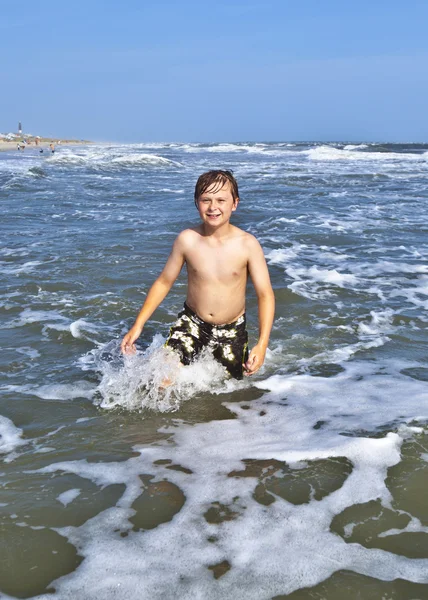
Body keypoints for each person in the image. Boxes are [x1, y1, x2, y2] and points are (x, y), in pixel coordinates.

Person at [121, 170, 275, 379]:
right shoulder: (188, 240)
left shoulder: (247, 245)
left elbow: (265, 294)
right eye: (206, 200)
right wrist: (138, 325)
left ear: (234, 203)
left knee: (228, 391)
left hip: (231, 331)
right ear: (196, 203)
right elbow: (164, 282)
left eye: (221, 200)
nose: (213, 207)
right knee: (163, 378)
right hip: (192, 324)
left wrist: (262, 344)